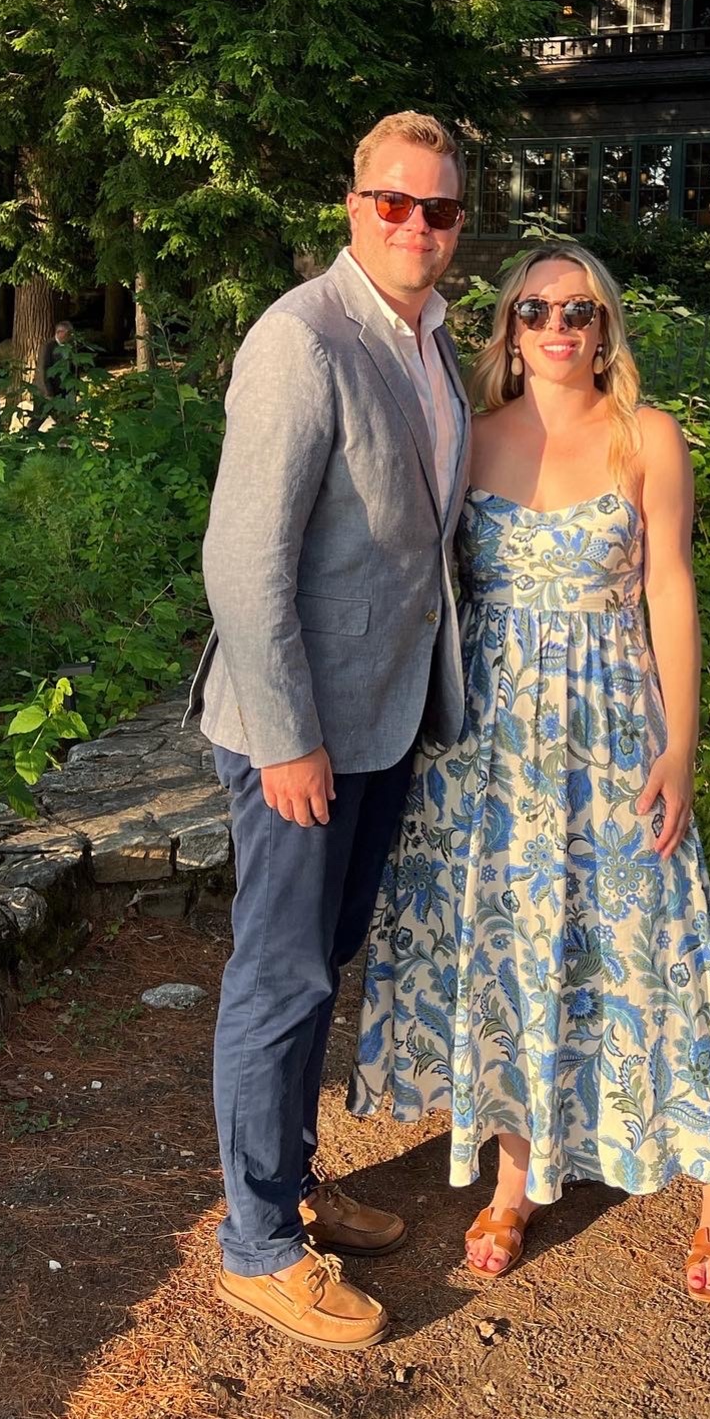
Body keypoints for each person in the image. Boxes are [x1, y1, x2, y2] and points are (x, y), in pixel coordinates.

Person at [351, 242, 710, 1302]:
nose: (557, 327)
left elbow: (670, 588)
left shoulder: (646, 436)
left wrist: (679, 745)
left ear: (606, 327)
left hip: (612, 727)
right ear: (509, 329)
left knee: (651, 936)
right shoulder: (469, 437)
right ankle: (517, 1171)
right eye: (534, 310)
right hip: (486, 746)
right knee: (508, 945)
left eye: (578, 310)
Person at [187, 111, 472, 1350]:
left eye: (438, 208)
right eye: (391, 202)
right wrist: (286, 739)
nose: (414, 224)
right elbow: (242, 560)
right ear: (352, 206)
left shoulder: (432, 339)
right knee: (280, 973)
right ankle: (256, 1247)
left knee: (323, 959)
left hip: (381, 717)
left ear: (459, 223)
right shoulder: (301, 338)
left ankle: (291, 1179)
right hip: (295, 730)